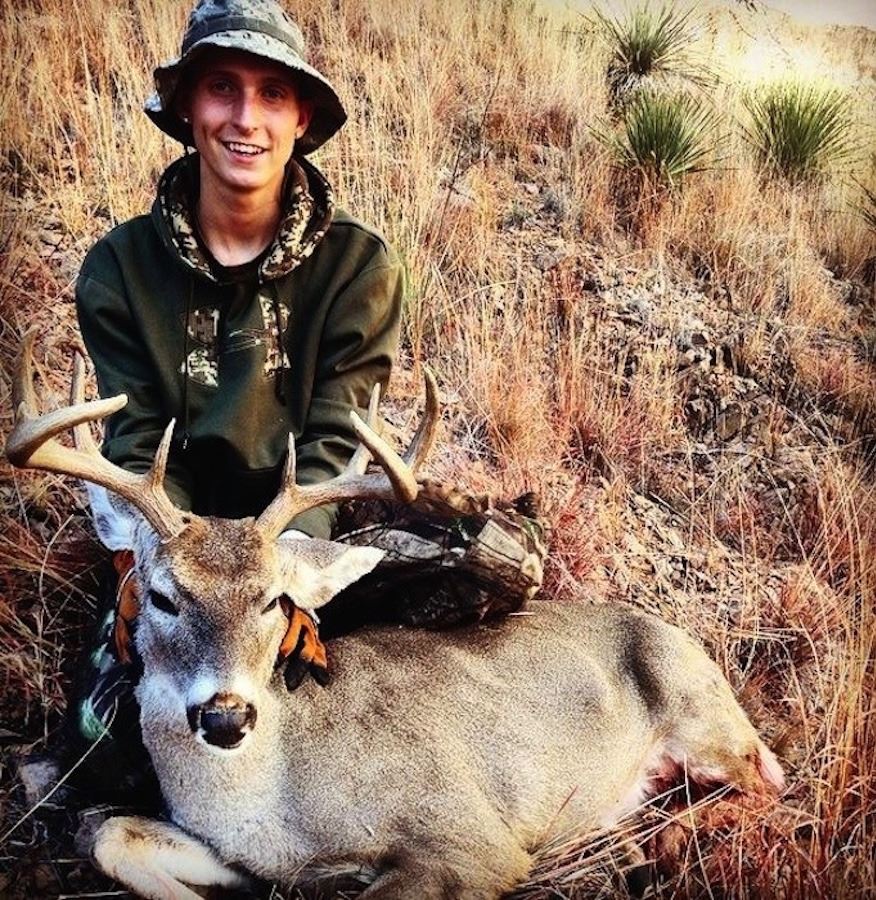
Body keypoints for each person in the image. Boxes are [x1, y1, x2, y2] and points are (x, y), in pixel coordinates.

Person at [68, 0, 547, 797]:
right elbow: (136, 434)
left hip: (302, 531)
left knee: (501, 556)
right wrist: (157, 561)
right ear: (186, 108)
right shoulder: (119, 269)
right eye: (221, 87)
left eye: (273, 93)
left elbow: (334, 434)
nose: (245, 118)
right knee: (104, 745)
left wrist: (290, 571)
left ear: (302, 119)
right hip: (186, 548)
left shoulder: (360, 267)